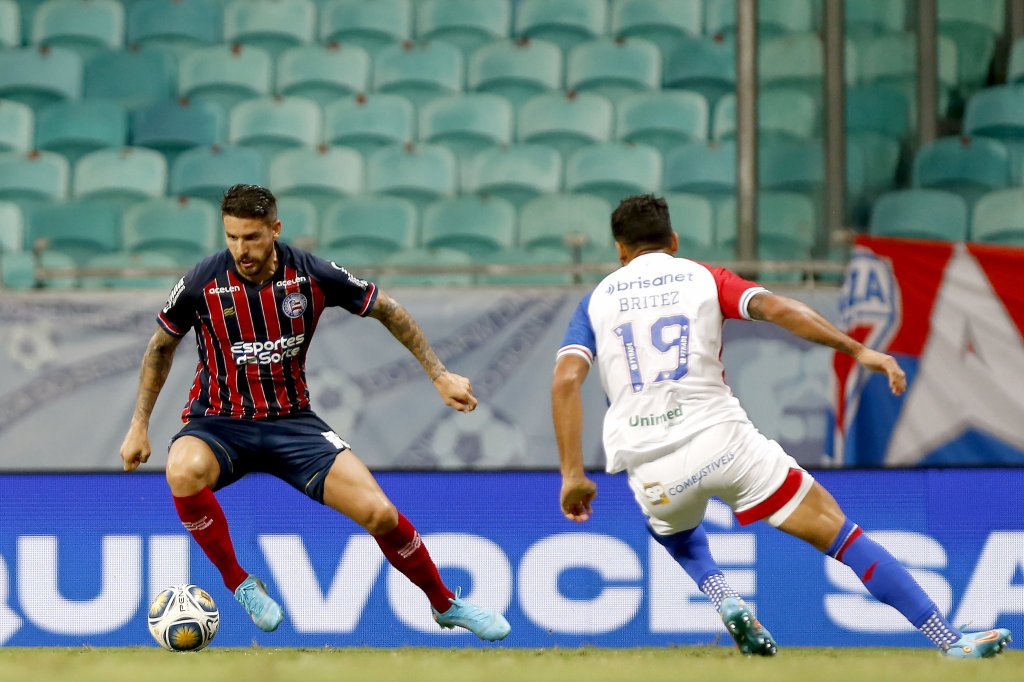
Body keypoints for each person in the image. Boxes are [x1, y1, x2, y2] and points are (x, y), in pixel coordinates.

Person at [550, 194, 1011, 658]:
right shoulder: (703, 278)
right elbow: (779, 309)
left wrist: (573, 474)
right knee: (842, 534)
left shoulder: (595, 302)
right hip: (724, 443)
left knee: (671, 531)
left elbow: (566, 381)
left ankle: (724, 598)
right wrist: (858, 350)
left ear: (620, 250)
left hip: (650, 464)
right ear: (673, 240)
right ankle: (948, 640)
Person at [119, 184, 510, 641]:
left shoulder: (310, 275)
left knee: (380, 513)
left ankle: (446, 605)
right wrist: (139, 425)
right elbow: (159, 348)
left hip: (292, 422)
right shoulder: (202, 282)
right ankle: (240, 584)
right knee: (181, 470)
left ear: (275, 229)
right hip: (219, 421)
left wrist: (439, 374)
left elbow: (388, 309)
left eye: (252, 237)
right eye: (232, 237)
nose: (241, 250)